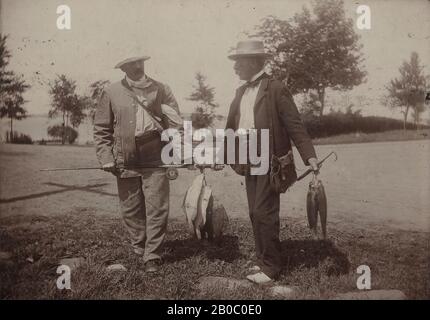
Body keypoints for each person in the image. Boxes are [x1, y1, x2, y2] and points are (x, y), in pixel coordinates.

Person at [225, 40, 319, 284]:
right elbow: (231, 128)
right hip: (247, 155)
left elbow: (294, 124)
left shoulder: (276, 88)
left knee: (263, 211)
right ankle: (262, 259)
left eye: (239, 62)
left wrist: (309, 156)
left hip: (270, 158)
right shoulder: (240, 91)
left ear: (254, 62)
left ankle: (272, 267)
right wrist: (224, 154)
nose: (235, 67)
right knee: (254, 212)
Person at [93, 54, 181, 273]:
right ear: (123, 68)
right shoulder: (111, 92)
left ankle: (153, 255)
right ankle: (139, 247)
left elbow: (176, 123)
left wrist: (175, 152)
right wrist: (106, 157)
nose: (137, 66)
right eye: (131, 63)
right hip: (126, 157)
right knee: (130, 208)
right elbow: (101, 129)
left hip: (156, 154)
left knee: (157, 207)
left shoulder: (161, 89)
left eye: (140, 61)